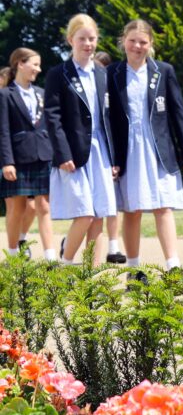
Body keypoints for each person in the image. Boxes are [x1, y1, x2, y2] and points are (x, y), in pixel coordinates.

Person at [108, 20, 183, 271]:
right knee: (132, 210)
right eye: (133, 41)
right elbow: (108, 121)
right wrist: (112, 158)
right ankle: (134, 270)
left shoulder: (164, 71)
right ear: (123, 41)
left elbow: (178, 114)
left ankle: (172, 267)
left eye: (143, 42)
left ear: (150, 45)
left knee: (163, 207)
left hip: (160, 149)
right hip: (128, 152)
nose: (137, 46)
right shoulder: (112, 74)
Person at [44, 14, 117, 264]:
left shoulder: (102, 73)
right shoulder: (58, 74)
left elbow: (109, 118)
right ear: (70, 40)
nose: (88, 44)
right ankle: (64, 265)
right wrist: (62, 154)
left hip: (101, 152)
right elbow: (52, 117)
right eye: (82, 38)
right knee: (84, 214)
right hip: (74, 152)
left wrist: (115, 158)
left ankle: (92, 277)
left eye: (92, 39)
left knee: (99, 217)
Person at [0, 48, 56, 260]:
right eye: (34, 64)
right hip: (18, 158)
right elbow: (3, 131)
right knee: (18, 208)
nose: (38, 69)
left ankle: (50, 257)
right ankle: (13, 255)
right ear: (20, 64)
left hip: (43, 155)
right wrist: (7, 162)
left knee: (44, 206)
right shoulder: (5, 94)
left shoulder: (41, 93)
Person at [91, 51, 126, 264]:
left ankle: (114, 246)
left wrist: (117, 158)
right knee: (91, 208)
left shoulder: (111, 90)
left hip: (109, 151)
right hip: (92, 151)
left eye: (102, 68)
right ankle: (70, 241)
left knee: (113, 203)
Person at [0, 65, 37, 250]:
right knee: (14, 207)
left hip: (23, 157)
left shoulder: (18, 99)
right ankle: (14, 246)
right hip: (5, 160)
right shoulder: (5, 98)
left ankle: (21, 238)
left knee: (32, 207)